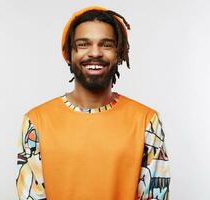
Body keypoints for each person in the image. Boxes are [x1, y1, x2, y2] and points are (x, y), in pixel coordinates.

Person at [16, 6, 170, 200]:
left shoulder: (147, 121)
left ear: (119, 52)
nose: (95, 53)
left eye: (106, 44)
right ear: (68, 54)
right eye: (83, 44)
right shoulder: (36, 121)